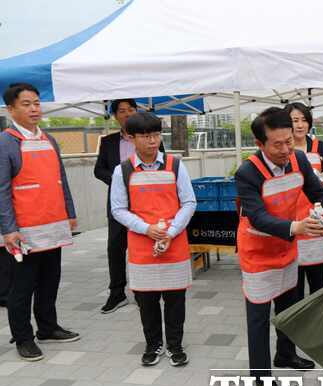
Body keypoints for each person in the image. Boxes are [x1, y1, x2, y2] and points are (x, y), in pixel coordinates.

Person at [235, 107, 323, 386]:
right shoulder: (247, 172)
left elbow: (318, 193)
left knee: (289, 309)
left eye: (289, 141)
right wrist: (297, 226)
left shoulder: (298, 159)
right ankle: (260, 379)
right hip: (258, 254)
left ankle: (285, 355)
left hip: (286, 247)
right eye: (278, 144)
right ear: (260, 144)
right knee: (259, 318)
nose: (286, 149)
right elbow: (258, 217)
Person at [0, 83, 80, 361]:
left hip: (53, 224)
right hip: (24, 232)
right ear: (11, 109)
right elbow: (1, 189)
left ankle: (48, 327)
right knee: (21, 288)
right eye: (26, 104)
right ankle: (23, 337)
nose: (34, 108)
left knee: (50, 281)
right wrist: (8, 229)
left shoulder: (49, 139)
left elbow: (61, 179)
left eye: (36, 102)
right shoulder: (6, 142)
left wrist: (70, 212)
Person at [110, 112, 195, 367]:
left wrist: (171, 230)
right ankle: (153, 344)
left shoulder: (176, 165)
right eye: (146, 136)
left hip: (174, 242)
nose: (152, 141)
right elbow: (118, 209)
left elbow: (189, 202)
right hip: (141, 246)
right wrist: (146, 229)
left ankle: (175, 344)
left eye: (156, 135)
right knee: (146, 301)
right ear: (131, 138)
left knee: (175, 300)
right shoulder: (122, 170)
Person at [94, 99, 166, 314]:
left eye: (131, 110)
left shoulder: (151, 139)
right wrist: (122, 180)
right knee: (116, 248)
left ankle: (144, 291)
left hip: (147, 203)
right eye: (122, 111)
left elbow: (161, 165)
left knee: (145, 245)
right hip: (119, 204)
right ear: (115, 115)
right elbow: (99, 170)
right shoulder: (107, 142)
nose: (127, 114)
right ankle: (117, 293)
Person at [284, 102, 323, 299]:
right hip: (291, 223)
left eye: (304, 120)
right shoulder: (282, 151)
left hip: (317, 222)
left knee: (318, 287)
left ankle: (317, 326)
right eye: (295, 120)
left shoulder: (319, 146)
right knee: (293, 289)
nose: (300, 125)